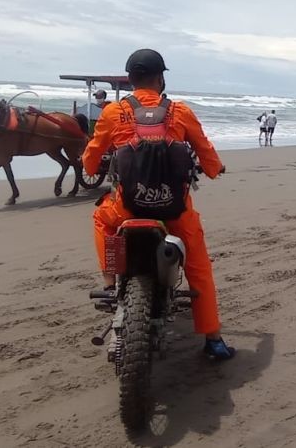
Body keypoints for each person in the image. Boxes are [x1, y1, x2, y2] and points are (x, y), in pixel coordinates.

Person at [83, 48, 234, 361]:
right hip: (174, 210)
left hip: (127, 207)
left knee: (102, 220)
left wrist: (95, 162)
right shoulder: (180, 112)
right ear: (160, 78)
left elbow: (90, 161)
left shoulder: (113, 113)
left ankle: (110, 281)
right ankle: (213, 339)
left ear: (130, 80)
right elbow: (208, 157)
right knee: (198, 265)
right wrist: (215, 169)